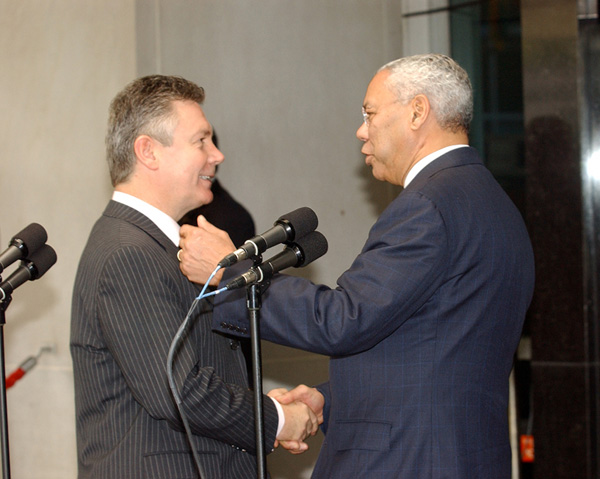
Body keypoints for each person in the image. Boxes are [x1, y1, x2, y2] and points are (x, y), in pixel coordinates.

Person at [178, 54, 536, 478]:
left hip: (409, 461)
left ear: (418, 111)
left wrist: (230, 274)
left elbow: (344, 320)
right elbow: (432, 350)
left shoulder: (427, 206)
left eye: (370, 114)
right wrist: (331, 401)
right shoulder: (495, 204)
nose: (361, 131)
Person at [70, 75, 319, 479]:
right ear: (148, 152)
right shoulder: (129, 252)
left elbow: (193, 375)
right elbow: (179, 392)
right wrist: (275, 418)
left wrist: (256, 407)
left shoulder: (155, 245)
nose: (217, 155)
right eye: (200, 141)